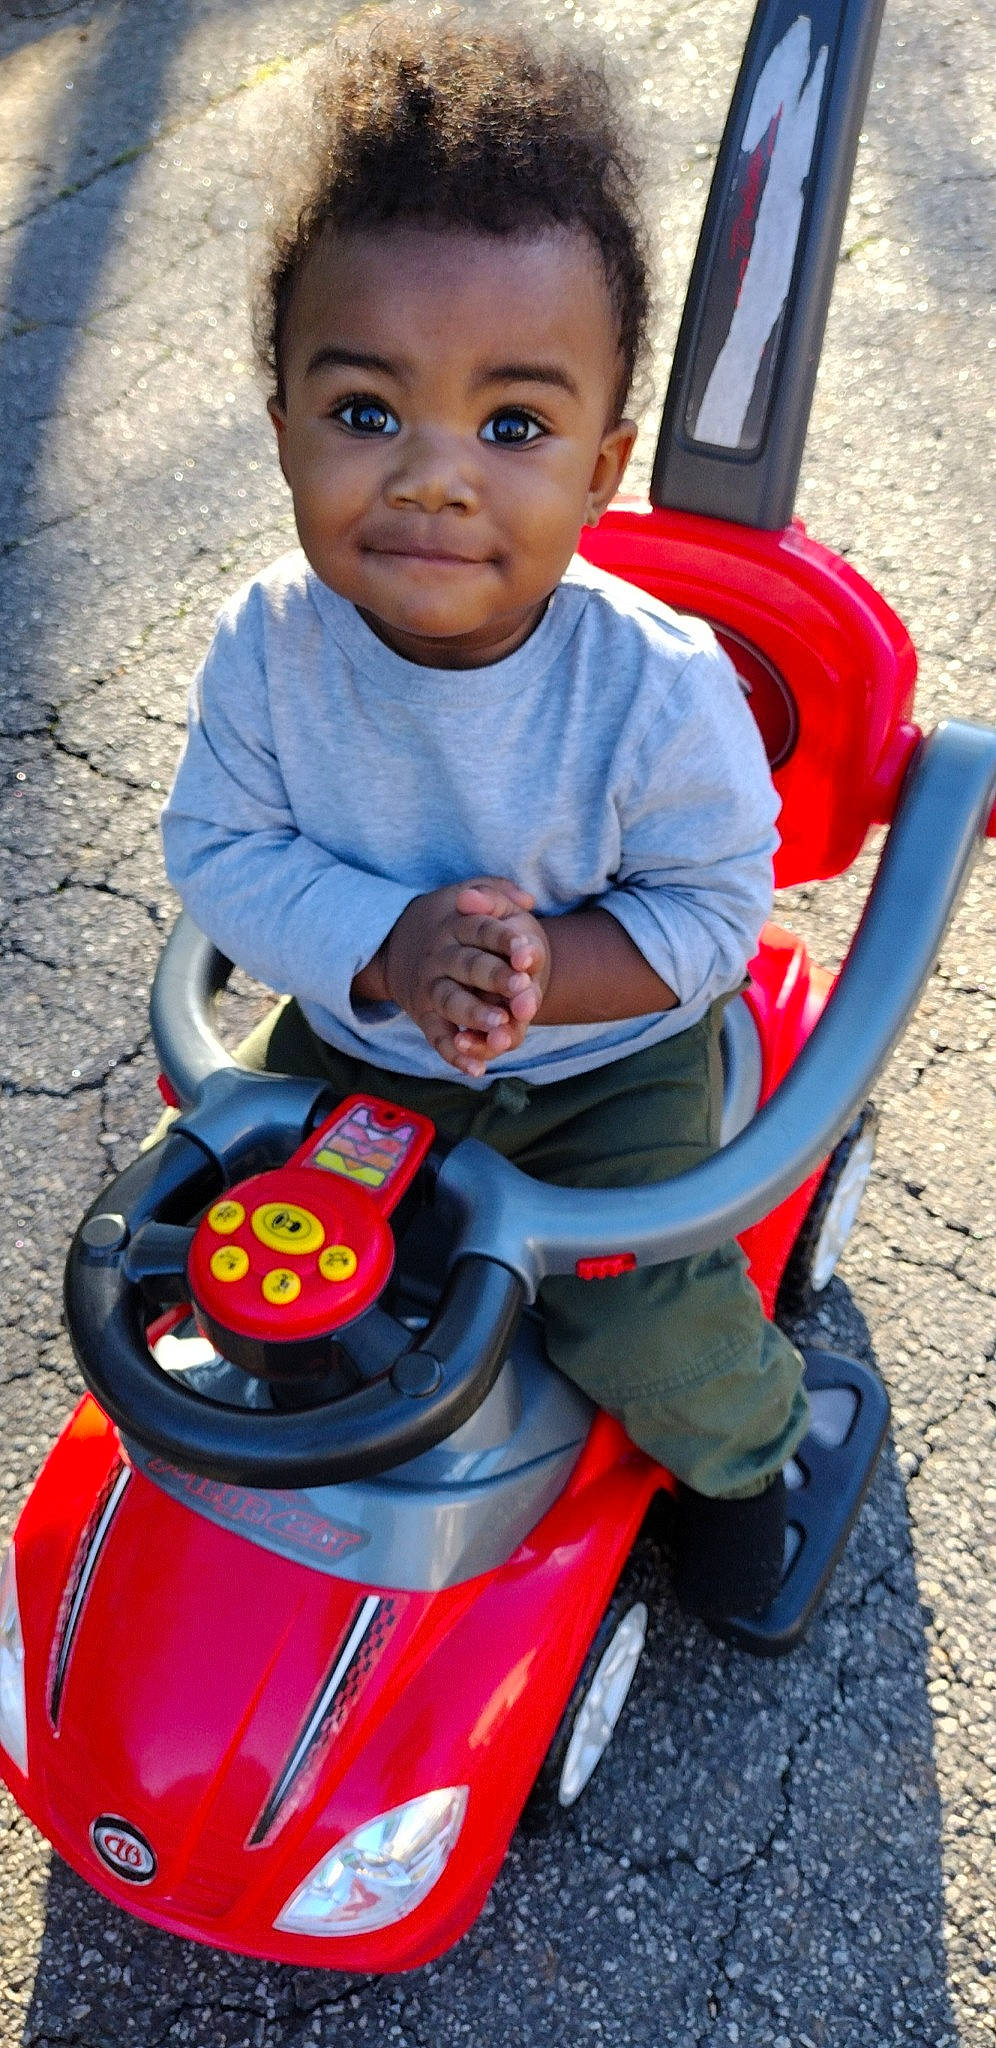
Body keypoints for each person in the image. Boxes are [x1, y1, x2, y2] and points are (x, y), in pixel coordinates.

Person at [161, 11, 810, 1628]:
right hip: (360, 1041)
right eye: (368, 410)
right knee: (193, 1226)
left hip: (598, 1072)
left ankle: (753, 1462)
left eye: (511, 427)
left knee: (640, 1314)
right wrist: (391, 952)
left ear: (603, 467)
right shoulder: (268, 644)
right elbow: (220, 853)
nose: (436, 476)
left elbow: (718, 910)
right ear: (285, 423)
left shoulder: (653, 688)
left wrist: (538, 978)